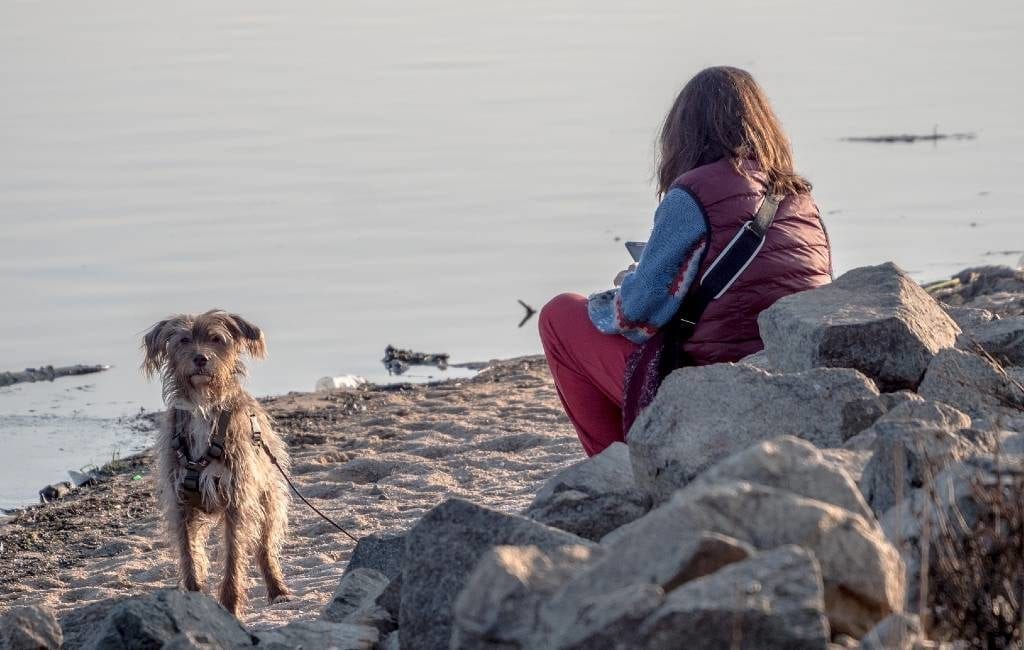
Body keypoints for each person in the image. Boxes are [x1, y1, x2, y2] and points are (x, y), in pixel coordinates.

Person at [539, 66, 833, 457]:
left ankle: (615, 467)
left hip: (710, 389)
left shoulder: (693, 194)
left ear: (683, 134)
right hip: (785, 381)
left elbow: (637, 315)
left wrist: (626, 284)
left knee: (559, 315)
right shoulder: (803, 202)